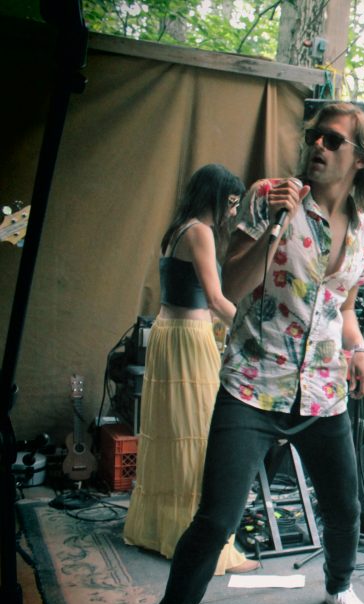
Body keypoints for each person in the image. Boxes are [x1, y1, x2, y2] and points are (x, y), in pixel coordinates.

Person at [133, 103, 364, 604]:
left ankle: (338, 587)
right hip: (254, 383)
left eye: (333, 140)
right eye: (314, 137)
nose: (318, 146)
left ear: (360, 158)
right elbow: (229, 284)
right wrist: (277, 226)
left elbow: (344, 309)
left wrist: (360, 352)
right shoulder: (267, 197)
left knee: (344, 507)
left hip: (323, 392)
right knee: (216, 518)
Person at [123, 164, 257, 576]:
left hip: (171, 333)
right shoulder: (198, 231)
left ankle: (165, 529)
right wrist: (254, 329)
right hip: (187, 338)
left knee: (172, 432)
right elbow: (216, 299)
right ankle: (200, 542)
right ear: (213, 197)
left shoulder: (179, 228)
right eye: (231, 203)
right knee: (198, 434)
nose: (232, 213)